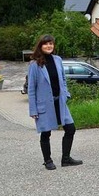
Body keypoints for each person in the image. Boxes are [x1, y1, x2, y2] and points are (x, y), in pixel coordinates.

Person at [27, 34, 83, 170]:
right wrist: (33, 110)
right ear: (40, 46)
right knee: (46, 132)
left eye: (51, 44)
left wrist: (66, 94)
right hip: (45, 104)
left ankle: (66, 159)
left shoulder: (57, 60)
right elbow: (31, 89)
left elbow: (63, 79)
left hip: (60, 102)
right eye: (46, 44)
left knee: (70, 129)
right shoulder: (35, 65)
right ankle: (48, 160)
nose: (49, 46)